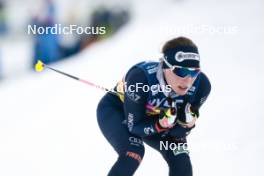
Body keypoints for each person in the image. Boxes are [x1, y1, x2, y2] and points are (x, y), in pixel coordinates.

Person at [97, 36, 211, 176]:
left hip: (155, 119)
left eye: (194, 72)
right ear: (165, 66)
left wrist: (185, 124)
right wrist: (160, 125)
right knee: (133, 153)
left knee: (180, 156)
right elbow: (135, 127)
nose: (188, 80)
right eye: (181, 72)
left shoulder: (201, 85)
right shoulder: (141, 79)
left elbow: (177, 134)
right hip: (118, 110)